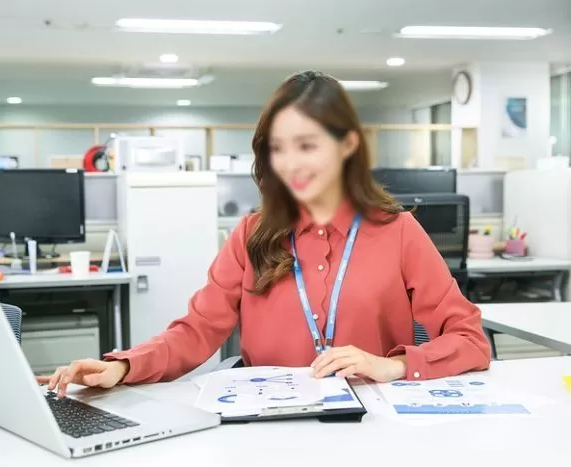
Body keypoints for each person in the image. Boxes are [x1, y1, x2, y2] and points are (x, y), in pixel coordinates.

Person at [39, 71, 491, 398]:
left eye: (308, 144)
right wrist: (122, 366)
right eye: (278, 148)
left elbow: (471, 341)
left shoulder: (398, 232)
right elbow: (197, 330)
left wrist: (392, 365)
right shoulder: (252, 234)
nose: (291, 163)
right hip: (266, 419)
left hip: (370, 421)